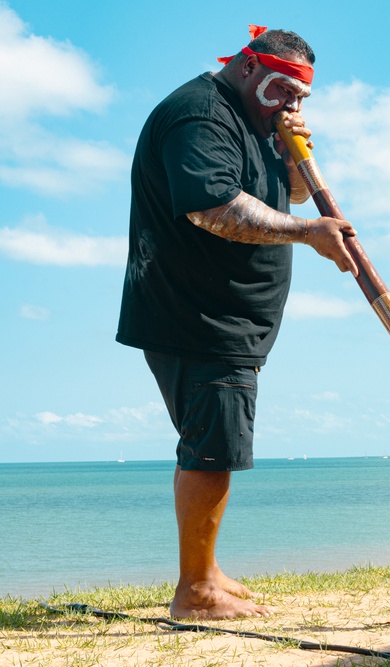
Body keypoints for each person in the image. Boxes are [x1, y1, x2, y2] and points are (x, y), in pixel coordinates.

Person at [116, 26, 358, 619]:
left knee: (212, 443)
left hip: (226, 315)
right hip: (196, 313)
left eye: (301, 98)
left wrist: (297, 156)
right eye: (282, 91)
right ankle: (195, 593)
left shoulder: (258, 119)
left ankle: (206, 570)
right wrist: (309, 235)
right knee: (213, 449)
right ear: (248, 68)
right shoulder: (201, 116)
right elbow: (211, 205)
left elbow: (291, 196)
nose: (291, 106)